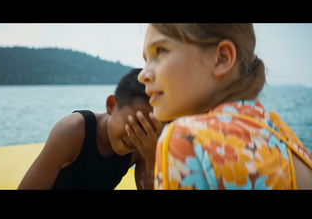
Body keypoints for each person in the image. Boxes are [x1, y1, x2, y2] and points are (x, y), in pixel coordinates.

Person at [138, 23, 312, 190]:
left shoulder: (185, 138)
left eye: (160, 51)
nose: (142, 75)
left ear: (222, 58)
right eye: (146, 59)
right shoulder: (287, 139)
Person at [18, 68, 163, 190]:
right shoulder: (71, 131)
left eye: (148, 129)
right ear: (112, 105)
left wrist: (152, 162)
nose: (135, 136)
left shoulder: (143, 146)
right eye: (133, 123)